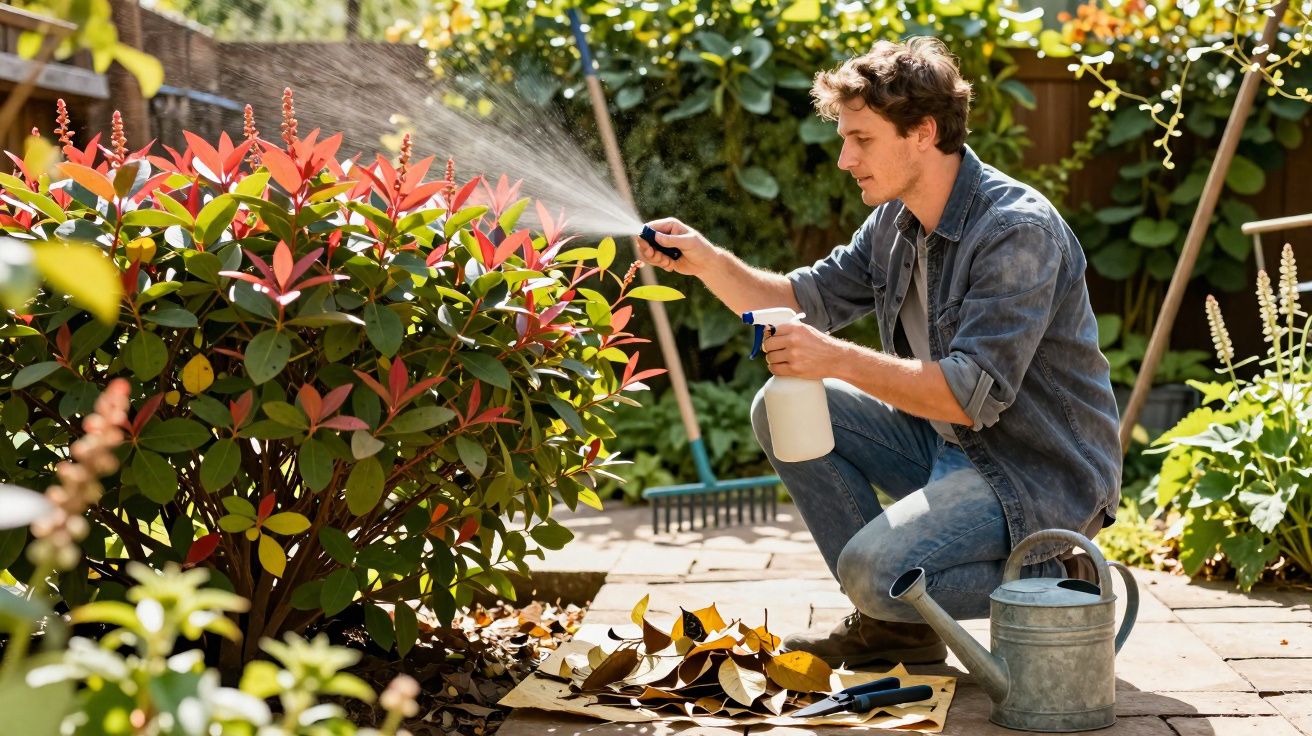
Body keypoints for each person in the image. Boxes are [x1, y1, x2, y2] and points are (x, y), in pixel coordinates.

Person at [638, 36, 1121, 668]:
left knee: (871, 574)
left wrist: (833, 357)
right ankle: (897, 632)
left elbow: (966, 395)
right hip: (951, 446)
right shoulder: (896, 221)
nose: (845, 159)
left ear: (923, 132)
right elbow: (800, 298)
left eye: (861, 139)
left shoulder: (1015, 231)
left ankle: (1057, 576)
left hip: (1036, 472)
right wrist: (705, 261)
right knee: (779, 407)